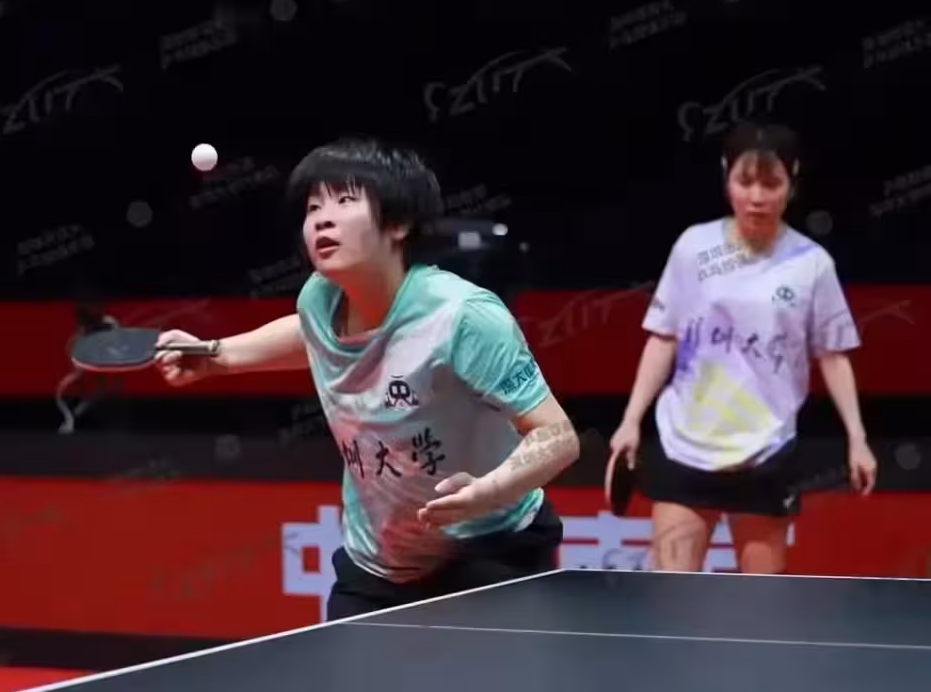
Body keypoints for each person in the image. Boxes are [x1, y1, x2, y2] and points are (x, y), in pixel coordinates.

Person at [155, 138, 579, 619]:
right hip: (376, 565)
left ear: (397, 224)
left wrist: (489, 490)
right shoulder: (320, 298)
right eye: (313, 207)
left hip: (490, 549)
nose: (322, 219)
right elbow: (309, 331)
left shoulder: (462, 318)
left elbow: (557, 436)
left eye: (344, 200)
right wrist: (216, 355)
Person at [608, 120, 878, 574]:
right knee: (670, 600)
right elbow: (663, 336)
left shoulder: (811, 264)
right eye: (745, 181)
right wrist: (630, 420)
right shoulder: (694, 248)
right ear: (726, 175)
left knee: (760, 605)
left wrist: (858, 439)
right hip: (684, 445)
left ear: (792, 179)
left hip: (766, 450)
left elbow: (832, 355)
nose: (756, 197)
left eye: (771, 184)